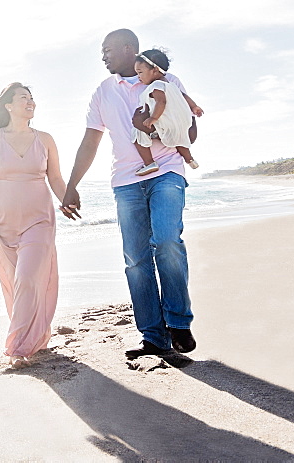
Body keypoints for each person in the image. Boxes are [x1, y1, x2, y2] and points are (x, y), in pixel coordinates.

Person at [60, 29, 198, 359]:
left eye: (108, 49)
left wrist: (159, 129)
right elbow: (90, 140)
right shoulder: (103, 92)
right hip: (125, 182)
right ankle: (153, 337)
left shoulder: (164, 80)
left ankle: (178, 322)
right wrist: (71, 185)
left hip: (166, 171)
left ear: (128, 49)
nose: (103, 56)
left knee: (166, 240)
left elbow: (190, 127)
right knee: (136, 260)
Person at [0, 82, 71, 368]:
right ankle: (37, 336)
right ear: (8, 106)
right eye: (23, 99)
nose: (30, 103)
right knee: (15, 282)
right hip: (4, 221)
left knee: (30, 278)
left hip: (39, 219)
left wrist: (67, 199)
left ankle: (16, 347)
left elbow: (54, 177)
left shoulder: (45, 139)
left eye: (32, 99)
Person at [133, 48, 204, 176]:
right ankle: (190, 159)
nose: (138, 77)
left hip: (165, 123)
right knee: (179, 141)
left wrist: (153, 118)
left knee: (137, 134)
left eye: (140, 72)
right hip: (181, 123)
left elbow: (161, 102)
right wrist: (194, 107)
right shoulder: (171, 85)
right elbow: (184, 96)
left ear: (155, 70)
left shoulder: (156, 86)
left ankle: (149, 163)